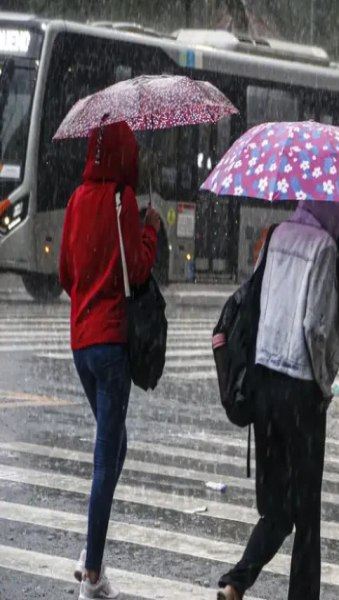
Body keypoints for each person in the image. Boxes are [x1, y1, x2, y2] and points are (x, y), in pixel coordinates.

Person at [217, 201, 339, 600]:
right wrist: (325, 385)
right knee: (306, 519)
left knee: (276, 509)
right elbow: (315, 327)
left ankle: (236, 582)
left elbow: (255, 306)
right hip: (300, 393)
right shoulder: (324, 247)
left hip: (264, 388)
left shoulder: (275, 236)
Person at [59, 121, 160, 600]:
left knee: (115, 445)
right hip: (112, 344)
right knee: (107, 454)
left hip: (80, 343)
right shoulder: (122, 198)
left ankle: (89, 554)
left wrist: (88, 291)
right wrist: (151, 232)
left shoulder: (78, 199)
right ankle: (93, 573)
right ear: (124, 154)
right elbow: (137, 268)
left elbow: (64, 272)